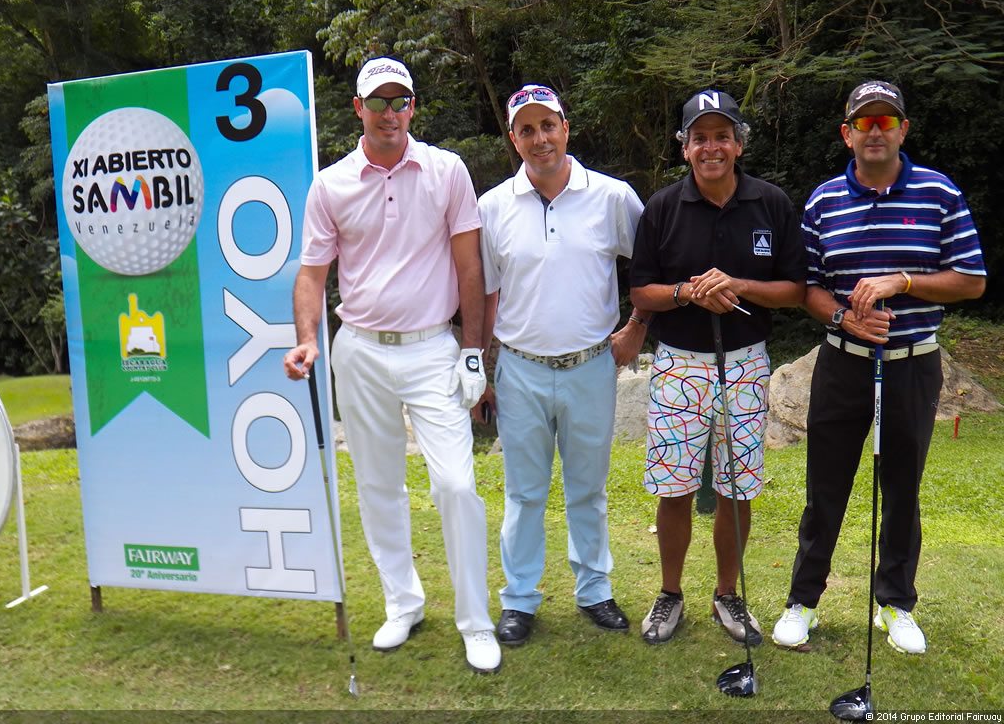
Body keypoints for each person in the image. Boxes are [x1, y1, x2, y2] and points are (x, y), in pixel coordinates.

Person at [282, 57, 501, 673]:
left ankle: (475, 621)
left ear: (413, 106)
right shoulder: (330, 185)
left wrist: (473, 351)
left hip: (432, 348)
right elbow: (312, 274)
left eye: (400, 101)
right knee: (378, 485)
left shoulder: (446, 170)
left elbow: (469, 267)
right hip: (359, 348)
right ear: (358, 108)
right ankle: (402, 603)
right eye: (378, 102)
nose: (390, 112)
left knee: (456, 485)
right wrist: (307, 339)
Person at [772, 81, 986, 655]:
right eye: (863, 123)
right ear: (847, 134)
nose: (874, 132)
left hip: (912, 365)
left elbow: (971, 279)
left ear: (902, 130)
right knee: (825, 488)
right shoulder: (822, 202)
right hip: (843, 364)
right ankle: (803, 600)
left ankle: (896, 604)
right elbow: (807, 288)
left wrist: (904, 280)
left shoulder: (938, 193)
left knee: (902, 489)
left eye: (885, 121)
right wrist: (844, 317)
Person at [629, 89, 807, 647]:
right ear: (684, 147)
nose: (712, 147)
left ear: (738, 144)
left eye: (722, 136)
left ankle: (727, 593)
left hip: (746, 362)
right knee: (675, 486)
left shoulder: (770, 203)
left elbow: (795, 289)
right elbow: (641, 290)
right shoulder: (663, 207)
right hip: (679, 364)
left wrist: (738, 285)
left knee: (737, 487)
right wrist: (687, 291)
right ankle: (670, 593)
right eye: (700, 138)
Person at [476, 84, 649, 646]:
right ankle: (519, 599)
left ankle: (595, 590)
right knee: (524, 493)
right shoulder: (493, 206)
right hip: (520, 368)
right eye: (526, 130)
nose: (540, 139)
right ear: (514, 139)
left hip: (590, 365)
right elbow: (485, 292)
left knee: (587, 489)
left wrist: (637, 326)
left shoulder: (611, 197)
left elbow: (650, 264)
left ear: (565, 129)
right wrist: (481, 368)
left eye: (547, 125)